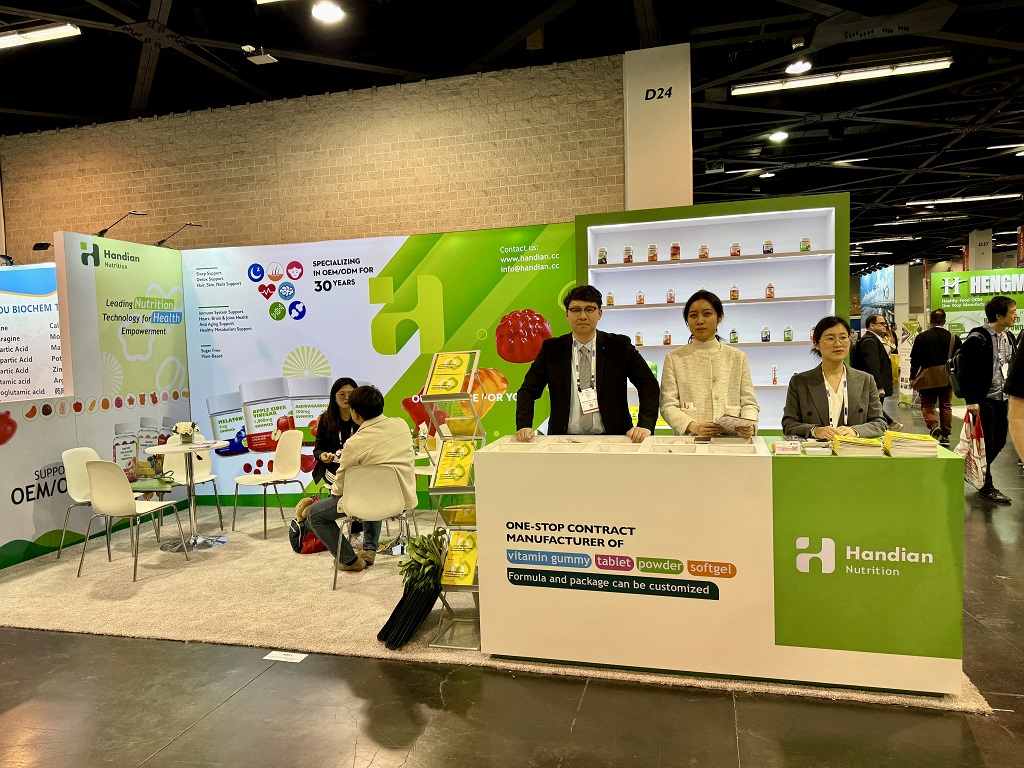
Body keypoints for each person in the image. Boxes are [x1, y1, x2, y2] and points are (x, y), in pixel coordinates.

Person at [515, 284, 659, 443]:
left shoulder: (619, 346)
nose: (582, 316)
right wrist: (524, 426)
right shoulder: (552, 349)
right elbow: (527, 391)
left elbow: (648, 384)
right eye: (576, 310)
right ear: (567, 314)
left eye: (589, 309)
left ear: (600, 313)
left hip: (614, 439)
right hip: (563, 440)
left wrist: (645, 425)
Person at [306, 385, 416, 571]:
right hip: (402, 500)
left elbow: (339, 488)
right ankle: (369, 550)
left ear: (355, 413)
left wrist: (336, 493)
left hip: (373, 500)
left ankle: (349, 560)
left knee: (314, 514)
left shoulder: (354, 444)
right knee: (371, 491)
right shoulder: (401, 425)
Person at [659, 290, 759, 437]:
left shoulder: (738, 357)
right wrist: (694, 427)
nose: (700, 321)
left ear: (719, 317)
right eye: (693, 315)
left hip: (733, 441)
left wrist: (750, 425)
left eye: (707, 314)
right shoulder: (674, 358)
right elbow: (668, 406)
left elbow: (749, 402)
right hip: (691, 442)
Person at [782, 316, 887, 439]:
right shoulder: (799, 382)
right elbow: (788, 424)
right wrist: (815, 431)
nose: (838, 344)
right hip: (816, 450)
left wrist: (855, 431)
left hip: (853, 449)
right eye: (830, 338)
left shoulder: (866, 380)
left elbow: (880, 423)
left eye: (843, 337)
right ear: (816, 344)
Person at [957, 295, 1017, 504]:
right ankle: (986, 485)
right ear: (999, 315)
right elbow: (965, 371)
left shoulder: (1009, 337)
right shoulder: (978, 338)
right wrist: (971, 399)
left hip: (1003, 397)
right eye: (1012, 312)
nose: (1015, 316)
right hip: (983, 399)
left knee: (999, 441)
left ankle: (973, 470)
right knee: (987, 441)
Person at [909, 309, 961, 445]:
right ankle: (945, 436)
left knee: (927, 404)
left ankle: (933, 425)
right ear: (944, 321)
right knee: (946, 406)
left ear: (930, 321)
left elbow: (915, 359)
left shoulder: (922, 337)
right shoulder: (954, 338)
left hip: (928, 377)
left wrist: (912, 376)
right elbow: (959, 359)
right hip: (947, 377)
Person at [852, 314, 903, 431]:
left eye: (885, 323)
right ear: (871, 325)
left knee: (874, 409)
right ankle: (888, 425)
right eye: (881, 323)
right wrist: (879, 386)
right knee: (874, 410)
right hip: (873, 385)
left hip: (873, 384)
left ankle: (889, 424)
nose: (885, 326)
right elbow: (873, 365)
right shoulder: (869, 341)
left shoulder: (873, 340)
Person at [311, 377, 358, 485]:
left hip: (357, 467)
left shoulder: (363, 417)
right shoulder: (325, 419)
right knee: (345, 483)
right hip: (333, 467)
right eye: (342, 394)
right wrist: (323, 455)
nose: (347, 398)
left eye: (351, 393)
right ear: (334, 397)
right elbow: (317, 450)